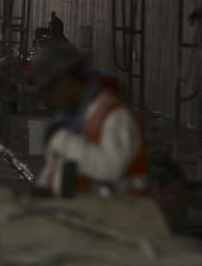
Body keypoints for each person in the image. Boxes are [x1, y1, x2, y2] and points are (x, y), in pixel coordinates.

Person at [33, 41, 149, 197]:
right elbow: (54, 173)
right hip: (84, 215)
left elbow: (111, 168)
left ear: (66, 81)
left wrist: (64, 141)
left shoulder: (115, 116)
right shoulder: (67, 121)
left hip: (124, 215)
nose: (47, 100)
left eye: (49, 91)